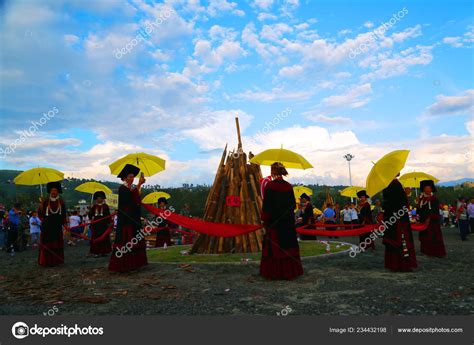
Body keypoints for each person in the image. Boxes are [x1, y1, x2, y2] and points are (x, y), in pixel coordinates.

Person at [260, 162, 303, 280]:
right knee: (288, 246)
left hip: (274, 224)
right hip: (287, 223)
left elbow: (267, 206)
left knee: (275, 248)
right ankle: (290, 272)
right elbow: (293, 205)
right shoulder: (289, 186)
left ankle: (275, 273)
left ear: (273, 171)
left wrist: (265, 220)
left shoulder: (270, 186)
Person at [109, 164, 148, 272]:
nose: (131, 179)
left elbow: (136, 201)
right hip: (126, 221)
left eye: (133, 177)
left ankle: (136, 263)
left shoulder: (131, 188)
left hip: (133, 219)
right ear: (125, 178)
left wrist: (138, 187)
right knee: (127, 241)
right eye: (129, 177)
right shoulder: (122, 188)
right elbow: (130, 202)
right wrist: (139, 184)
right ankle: (125, 265)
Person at [382, 176, 417, 272]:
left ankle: (392, 264)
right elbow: (400, 203)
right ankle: (402, 264)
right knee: (401, 241)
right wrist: (405, 194)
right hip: (398, 219)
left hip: (390, 218)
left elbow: (387, 203)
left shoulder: (387, 185)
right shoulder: (395, 184)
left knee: (392, 241)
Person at [38, 182, 67, 266]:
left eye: (56, 190)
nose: (54, 192)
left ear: (58, 192)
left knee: (56, 244)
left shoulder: (61, 202)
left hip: (57, 226)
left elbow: (63, 215)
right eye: (52, 190)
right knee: (47, 243)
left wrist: (65, 226)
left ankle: (56, 261)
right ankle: (46, 262)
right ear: (50, 191)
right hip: (47, 226)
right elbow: (41, 214)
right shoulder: (45, 201)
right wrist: (41, 205)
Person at [417, 180, 446, 257]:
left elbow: (435, 210)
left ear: (431, 189)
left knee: (434, 237)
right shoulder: (421, 199)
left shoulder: (434, 199)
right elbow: (419, 211)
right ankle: (425, 251)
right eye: (426, 188)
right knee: (425, 237)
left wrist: (429, 218)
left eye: (429, 188)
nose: (427, 190)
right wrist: (418, 204)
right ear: (423, 189)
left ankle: (436, 252)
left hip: (432, 222)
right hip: (423, 221)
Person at [89, 191, 112, 257]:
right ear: (96, 199)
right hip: (96, 225)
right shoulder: (93, 206)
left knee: (104, 238)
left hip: (104, 225)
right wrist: (90, 210)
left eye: (101, 198)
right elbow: (90, 216)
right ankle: (96, 252)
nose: (100, 199)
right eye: (99, 198)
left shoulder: (106, 206)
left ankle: (104, 252)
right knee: (96, 238)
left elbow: (108, 215)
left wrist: (109, 222)